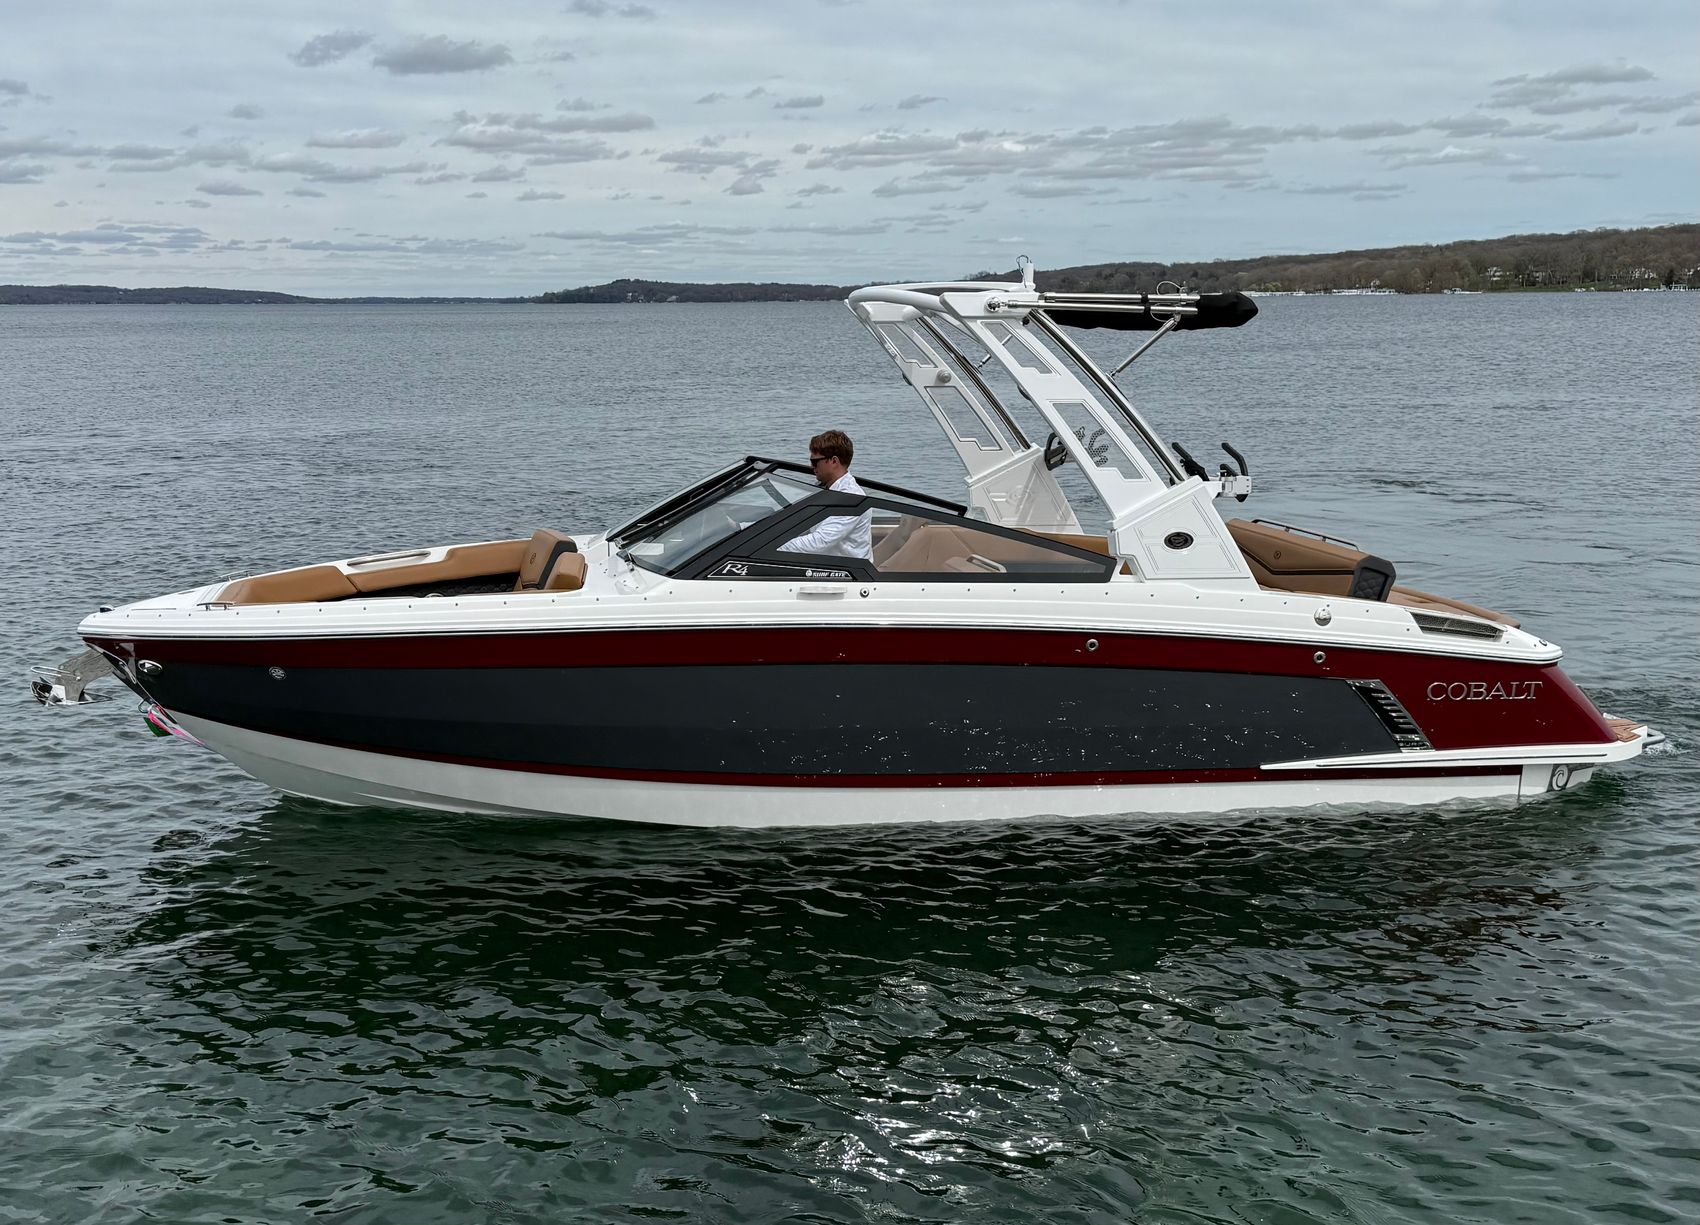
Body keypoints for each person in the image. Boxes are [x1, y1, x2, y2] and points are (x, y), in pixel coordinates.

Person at [779, 429, 872, 561]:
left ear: (834, 461)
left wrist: (770, 547)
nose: (812, 467)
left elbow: (820, 541)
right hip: (823, 564)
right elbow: (798, 521)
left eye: (815, 462)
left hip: (845, 570)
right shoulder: (823, 489)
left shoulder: (851, 498)